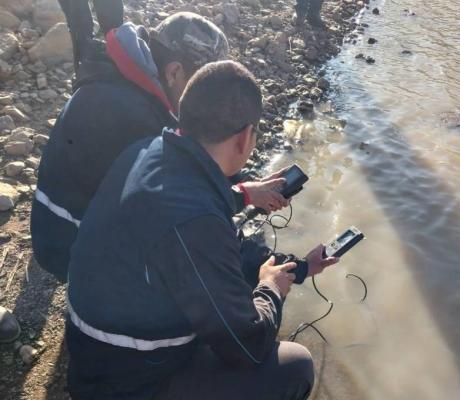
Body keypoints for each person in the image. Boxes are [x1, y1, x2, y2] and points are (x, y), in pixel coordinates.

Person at [66, 60, 339, 399]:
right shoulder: (194, 223)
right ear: (244, 137)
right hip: (126, 383)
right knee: (294, 366)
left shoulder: (149, 151)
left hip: (93, 353)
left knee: (235, 289)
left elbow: (224, 246)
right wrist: (271, 290)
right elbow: (248, 347)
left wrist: (301, 268)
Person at [31, 11, 289, 283]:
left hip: (71, 222)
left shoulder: (131, 82)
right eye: (203, 88)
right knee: (202, 266)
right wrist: (243, 196)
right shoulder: (131, 118)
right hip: (70, 243)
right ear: (175, 71)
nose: (212, 102)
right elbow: (180, 205)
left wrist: (245, 184)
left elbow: (192, 157)